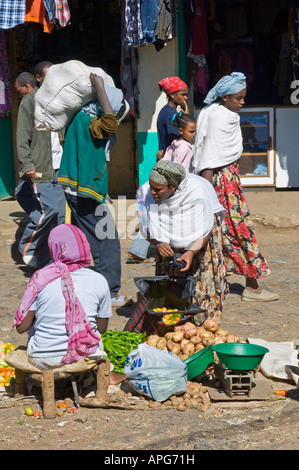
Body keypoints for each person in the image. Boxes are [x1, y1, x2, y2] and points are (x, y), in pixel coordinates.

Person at [193, 72, 279, 302]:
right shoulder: (221, 118)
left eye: (243, 97)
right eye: (238, 98)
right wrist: (206, 191)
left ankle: (214, 282)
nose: (242, 102)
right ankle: (252, 287)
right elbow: (210, 157)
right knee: (240, 231)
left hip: (224, 181)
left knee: (223, 233)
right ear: (225, 97)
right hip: (222, 185)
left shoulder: (216, 114)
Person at [12, 223, 125, 385]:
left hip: (43, 358)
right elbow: (101, 328)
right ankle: (105, 375)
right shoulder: (99, 280)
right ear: (84, 247)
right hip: (85, 356)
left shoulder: (40, 278)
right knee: (93, 335)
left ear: (53, 249)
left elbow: (21, 327)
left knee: (36, 328)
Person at [58, 73, 132, 307]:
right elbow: (109, 124)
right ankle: (108, 293)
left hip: (78, 190)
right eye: (116, 109)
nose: (117, 116)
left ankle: (87, 288)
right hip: (85, 192)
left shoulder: (80, 119)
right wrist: (100, 87)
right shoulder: (89, 121)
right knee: (107, 242)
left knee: (89, 241)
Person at [136, 160, 228, 323]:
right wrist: (158, 243)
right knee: (171, 288)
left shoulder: (197, 192)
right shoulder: (147, 194)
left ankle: (204, 323)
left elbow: (207, 227)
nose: (153, 192)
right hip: (168, 248)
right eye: (151, 187)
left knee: (201, 285)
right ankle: (175, 321)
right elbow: (145, 227)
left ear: (173, 187)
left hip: (201, 244)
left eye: (158, 189)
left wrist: (191, 251)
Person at [127, 76, 190, 263]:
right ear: (172, 94)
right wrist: (185, 116)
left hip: (166, 165)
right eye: (183, 95)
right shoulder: (170, 115)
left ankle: (140, 249)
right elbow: (176, 141)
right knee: (159, 210)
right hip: (169, 169)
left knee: (158, 210)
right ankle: (140, 248)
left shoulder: (168, 112)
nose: (185, 98)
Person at [14, 70, 66, 268]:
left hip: (58, 166)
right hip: (40, 167)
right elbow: (22, 137)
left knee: (59, 216)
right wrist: (27, 165)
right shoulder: (29, 102)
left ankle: (53, 258)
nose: (21, 95)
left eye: (20, 92)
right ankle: (28, 247)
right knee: (48, 210)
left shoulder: (56, 100)